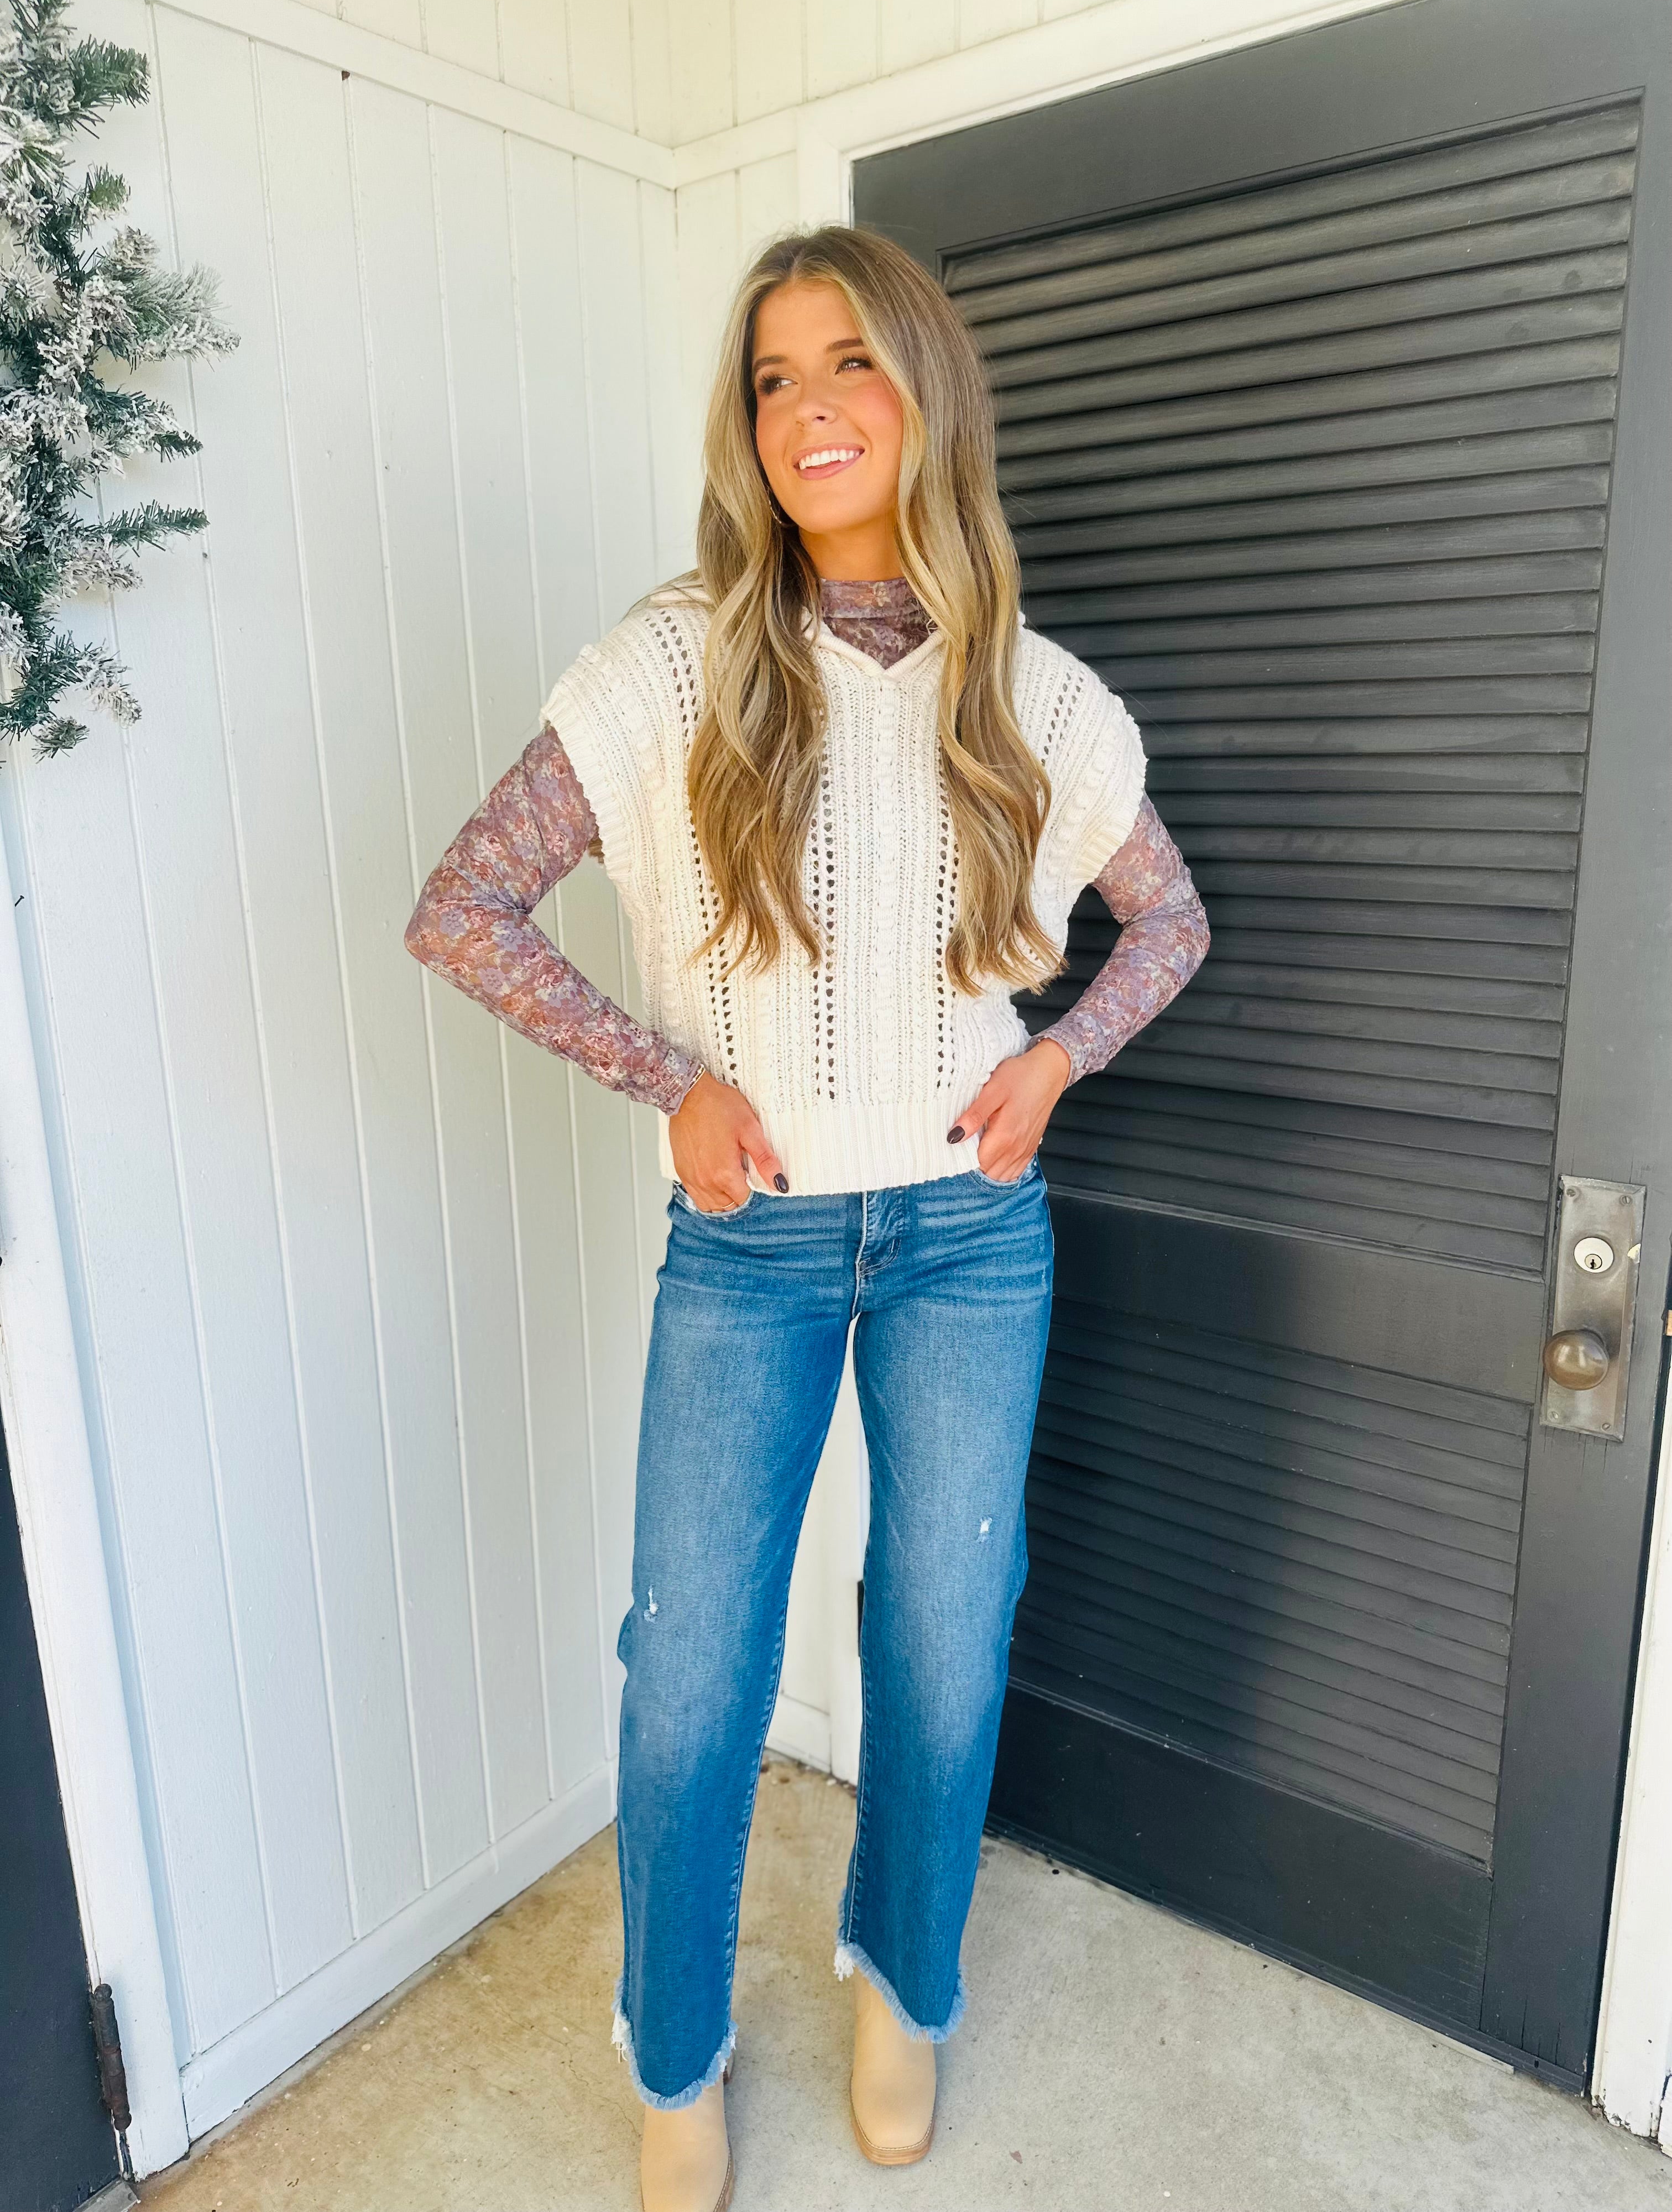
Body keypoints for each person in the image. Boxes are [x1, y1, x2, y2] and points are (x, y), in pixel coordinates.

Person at [405, 224, 1208, 2212]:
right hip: (750, 1245)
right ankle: (674, 2055)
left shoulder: (1033, 692)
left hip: (970, 1241)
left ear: (924, 393)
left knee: (943, 1642)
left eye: (848, 362)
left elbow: (1169, 922)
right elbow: (463, 908)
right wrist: (666, 1078)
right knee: (692, 1671)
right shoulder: (675, 660)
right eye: (773, 378)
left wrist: (1055, 1061)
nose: (808, 408)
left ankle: (902, 1985)